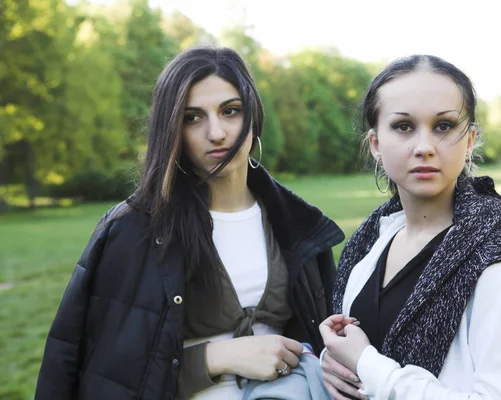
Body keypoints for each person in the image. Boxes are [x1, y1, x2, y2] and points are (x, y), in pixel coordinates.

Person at [34, 46, 346, 400]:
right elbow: (107, 372)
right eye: (192, 117)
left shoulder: (300, 224)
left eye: (231, 111)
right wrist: (214, 358)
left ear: (253, 117)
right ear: (173, 130)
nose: (216, 133)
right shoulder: (134, 229)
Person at [318, 55, 501, 400]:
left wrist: (368, 366)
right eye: (403, 126)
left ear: (470, 140)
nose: (424, 147)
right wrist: (334, 360)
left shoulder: (495, 268)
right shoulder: (370, 243)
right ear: (376, 144)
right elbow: (362, 347)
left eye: (443, 126)